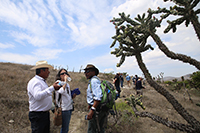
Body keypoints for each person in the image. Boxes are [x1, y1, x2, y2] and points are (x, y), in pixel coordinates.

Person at [27, 60, 61, 133]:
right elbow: (37, 96)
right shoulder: (35, 82)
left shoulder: (42, 82)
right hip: (38, 115)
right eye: (47, 70)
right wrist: (52, 88)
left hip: (43, 115)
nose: (49, 72)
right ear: (42, 71)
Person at [84, 64, 107, 133]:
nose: (86, 73)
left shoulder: (94, 81)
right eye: (85, 72)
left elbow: (98, 98)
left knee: (92, 130)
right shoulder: (95, 80)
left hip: (96, 109)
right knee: (100, 129)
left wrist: (92, 110)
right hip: (99, 108)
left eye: (88, 71)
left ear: (94, 72)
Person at [55, 68, 77, 133]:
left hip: (69, 108)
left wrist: (72, 96)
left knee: (66, 127)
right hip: (63, 109)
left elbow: (66, 95)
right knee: (64, 128)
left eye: (66, 73)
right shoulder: (58, 83)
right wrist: (65, 81)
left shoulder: (67, 84)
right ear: (59, 75)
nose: (64, 75)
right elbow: (60, 91)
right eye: (62, 74)